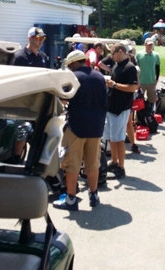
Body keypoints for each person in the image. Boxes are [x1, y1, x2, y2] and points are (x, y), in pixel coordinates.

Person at [53, 51, 108, 210]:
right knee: (93, 163)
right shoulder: (99, 77)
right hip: (96, 126)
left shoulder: (73, 77)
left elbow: (65, 98)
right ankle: (94, 194)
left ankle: (71, 199)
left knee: (72, 163)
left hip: (77, 126)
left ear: (73, 64)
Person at [11, 26, 49, 163]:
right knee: (21, 133)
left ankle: (34, 161)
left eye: (42, 38)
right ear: (30, 38)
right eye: (38, 38)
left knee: (39, 134)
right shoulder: (19, 57)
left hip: (39, 102)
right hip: (23, 101)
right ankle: (16, 160)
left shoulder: (43, 57)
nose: (41, 41)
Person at [104, 43, 139, 179]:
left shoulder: (129, 67)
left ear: (120, 51)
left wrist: (115, 85)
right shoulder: (116, 65)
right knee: (112, 138)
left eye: (112, 53)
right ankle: (113, 161)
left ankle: (121, 167)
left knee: (119, 139)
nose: (111, 56)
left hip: (121, 108)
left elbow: (133, 87)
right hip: (111, 106)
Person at [136, 38, 160, 109]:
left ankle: (150, 115)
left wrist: (157, 79)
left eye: (151, 45)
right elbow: (136, 68)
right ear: (145, 44)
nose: (150, 46)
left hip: (151, 81)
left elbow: (157, 68)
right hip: (141, 81)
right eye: (148, 44)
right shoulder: (139, 54)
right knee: (139, 100)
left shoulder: (156, 55)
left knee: (152, 101)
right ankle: (139, 117)